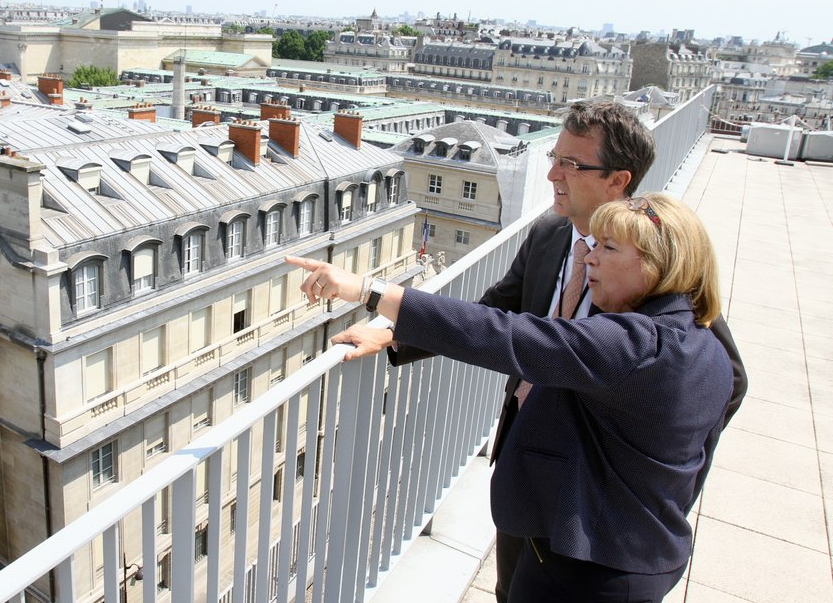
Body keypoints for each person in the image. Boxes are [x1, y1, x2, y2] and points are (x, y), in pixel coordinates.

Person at [286, 192, 733, 603]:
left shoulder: (637, 345)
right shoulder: (704, 340)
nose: (591, 257)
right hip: (643, 549)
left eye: (610, 249)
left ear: (659, 265)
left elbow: (507, 336)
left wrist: (367, 291)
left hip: (590, 567)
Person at [383, 100, 747, 603]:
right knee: (512, 585)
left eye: (571, 164)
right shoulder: (549, 233)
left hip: (592, 505)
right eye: (555, 157)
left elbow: (727, 376)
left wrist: (655, 469)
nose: (553, 173)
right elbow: (497, 313)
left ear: (618, 180)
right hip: (526, 458)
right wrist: (396, 334)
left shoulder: (659, 272)